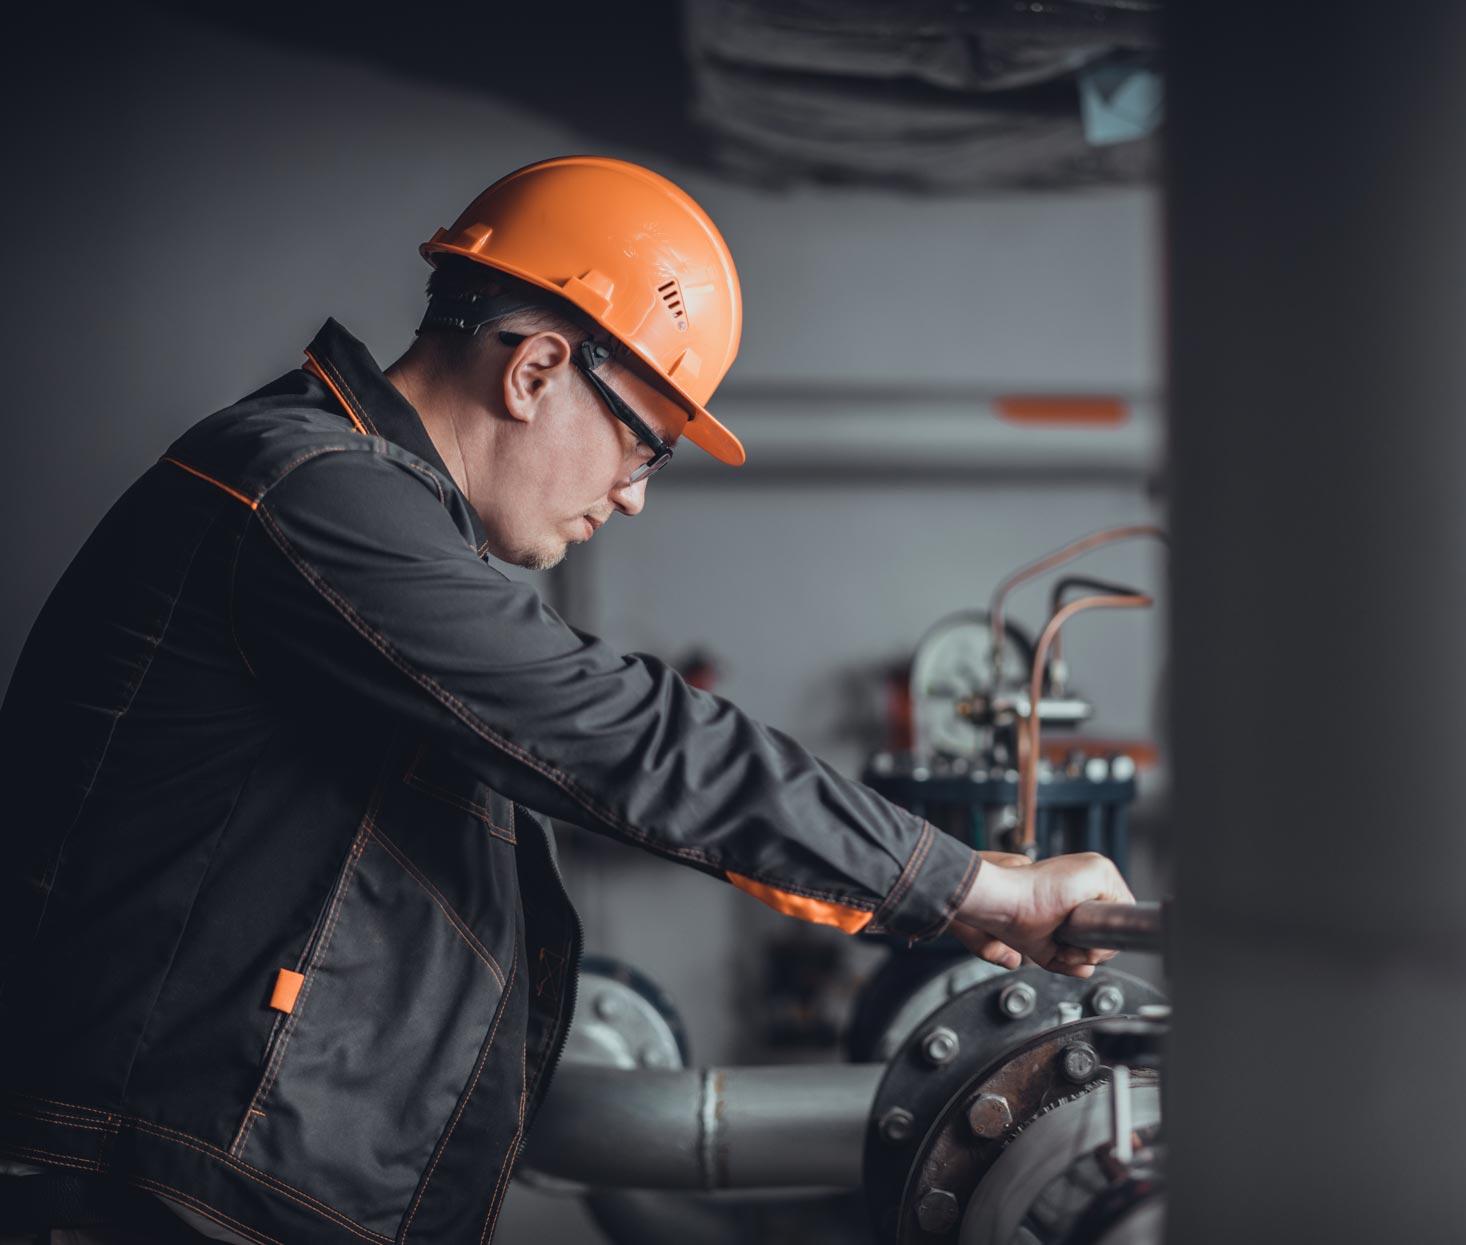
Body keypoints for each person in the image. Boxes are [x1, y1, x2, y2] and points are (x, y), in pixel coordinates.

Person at [0, 156, 1133, 1243]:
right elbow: (630, 736)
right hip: (161, 1203)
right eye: (645, 446)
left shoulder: (350, 519)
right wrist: (973, 886)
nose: (634, 498)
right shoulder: (308, 493)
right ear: (536, 369)